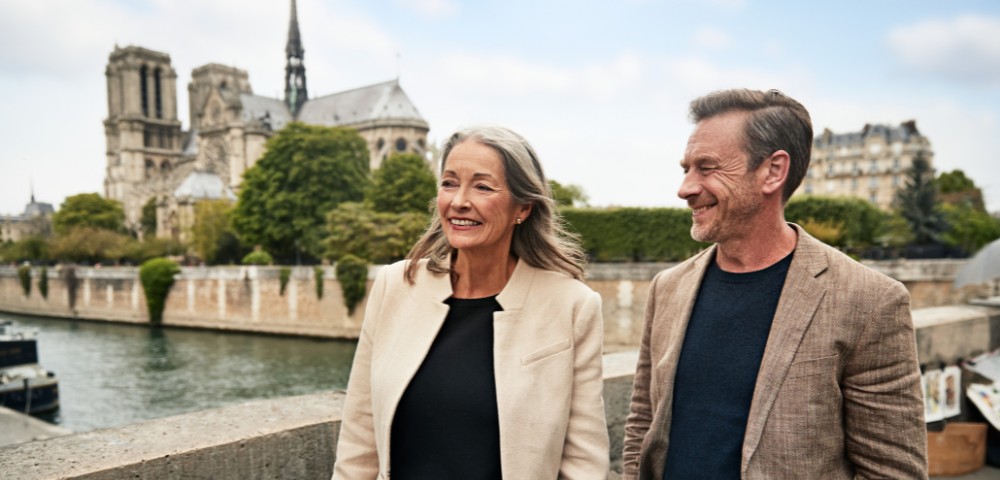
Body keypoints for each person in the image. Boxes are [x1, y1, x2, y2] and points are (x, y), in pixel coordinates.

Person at [622, 89, 927, 479]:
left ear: (773, 171)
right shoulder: (667, 287)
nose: (685, 188)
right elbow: (642, 427)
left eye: (707, 167)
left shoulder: (870, 300)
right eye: (686, 169)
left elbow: (893, 471)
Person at [332, 125, 610, 479]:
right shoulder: (396, 286)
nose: (458, 201)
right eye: (449, 183)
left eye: (482, 186)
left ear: (522, 207)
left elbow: (583, 462)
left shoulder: (571, 305)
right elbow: (360, 436)